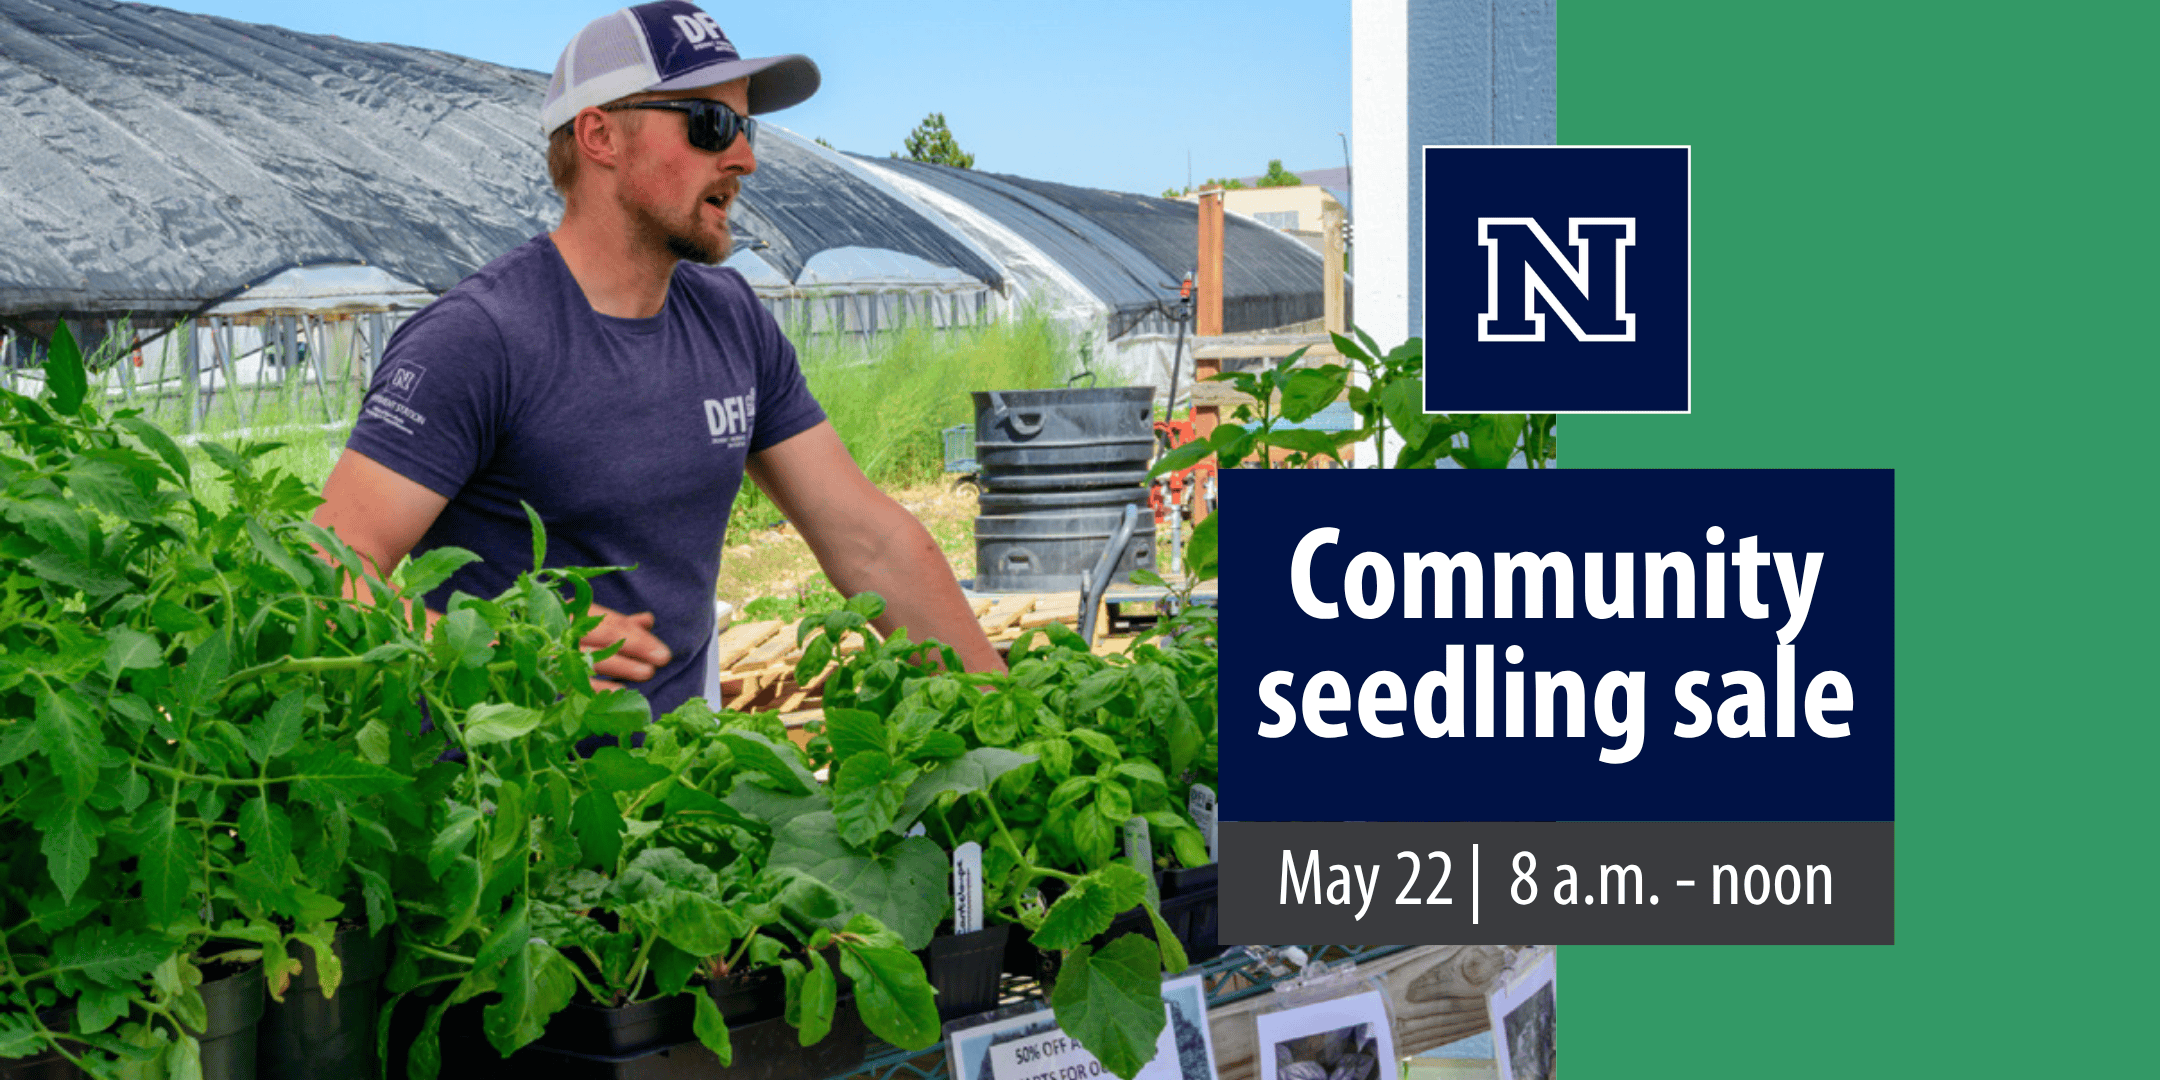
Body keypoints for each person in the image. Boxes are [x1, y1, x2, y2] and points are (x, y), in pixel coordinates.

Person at [313, 1, 1003, 722]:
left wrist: (1009, 719)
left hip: (676, 791)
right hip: (501, 808)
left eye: (745, 127)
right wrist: (513, 643)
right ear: (600, 134)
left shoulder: (731, 322)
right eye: (710, 125)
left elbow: (871, 543)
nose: (744, 158)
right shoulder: (481, 339)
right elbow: (321, 577)